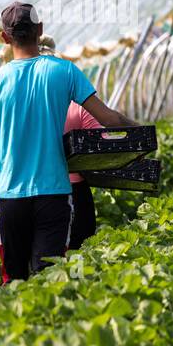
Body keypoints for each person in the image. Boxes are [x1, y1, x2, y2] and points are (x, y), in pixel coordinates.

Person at [0, 1, 134, 282]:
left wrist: (13, 152)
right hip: (53, 197)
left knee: (13, 281)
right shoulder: (64, 71)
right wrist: (138, 130)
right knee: (49, 280)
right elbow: (108, 119)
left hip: (10, 197)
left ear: (5, 37)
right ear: (40, 30)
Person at [65, 102, 102, 250]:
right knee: (78, 253)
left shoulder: (24, 106)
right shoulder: (78, 107)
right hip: (74, 191)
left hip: (24, 192)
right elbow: (100, 143)